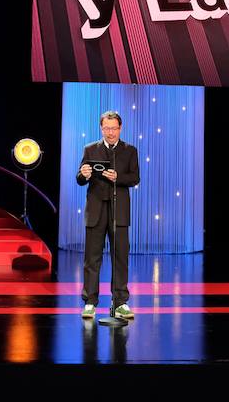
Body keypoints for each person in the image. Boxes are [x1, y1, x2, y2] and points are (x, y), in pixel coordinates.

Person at [76, 110, 140, 320]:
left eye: (114, 128)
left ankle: (120, 301)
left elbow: (135, 178)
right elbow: (79, 177)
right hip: (96, 210)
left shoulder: (129, 150)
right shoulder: (90, 149)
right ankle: (90, 302)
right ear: (101, 128)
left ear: (120, 128)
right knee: (92, 259)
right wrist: (83, 175)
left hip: (119, 210)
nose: (110, 132)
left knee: (120, 257)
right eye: (107, 128)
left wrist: (118, 177)